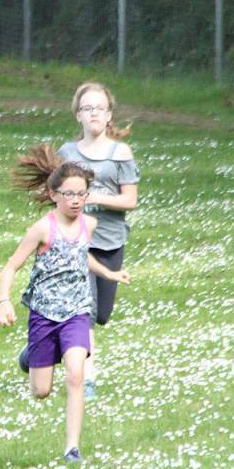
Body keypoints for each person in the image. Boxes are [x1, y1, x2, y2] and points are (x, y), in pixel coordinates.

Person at [0, 147, 131, 464]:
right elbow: (10, 267)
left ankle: (72, 448)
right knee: (41, 391)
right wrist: (3, 300)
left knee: (75, 375)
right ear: (54, 195)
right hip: (44, 313)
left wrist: (109, 272)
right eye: (69, 194)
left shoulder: (89, 225)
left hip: (76, 312)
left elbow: (82, 256)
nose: (75, 200)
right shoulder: (42, 229)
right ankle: (30, 356)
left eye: (81, 194)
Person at [55, 82, 139, 400]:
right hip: (78, 241)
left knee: (102, 313)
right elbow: (58, 197)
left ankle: (41, 352)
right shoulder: (67, 153)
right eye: (87, 108)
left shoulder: (120, 154)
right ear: (78, 115)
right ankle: (86, 379)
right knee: (84, 311)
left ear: (109, 115)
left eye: (99, 108)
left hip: (110, 240)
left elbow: (129, 200)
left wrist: (95, 197)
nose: (93, 113)